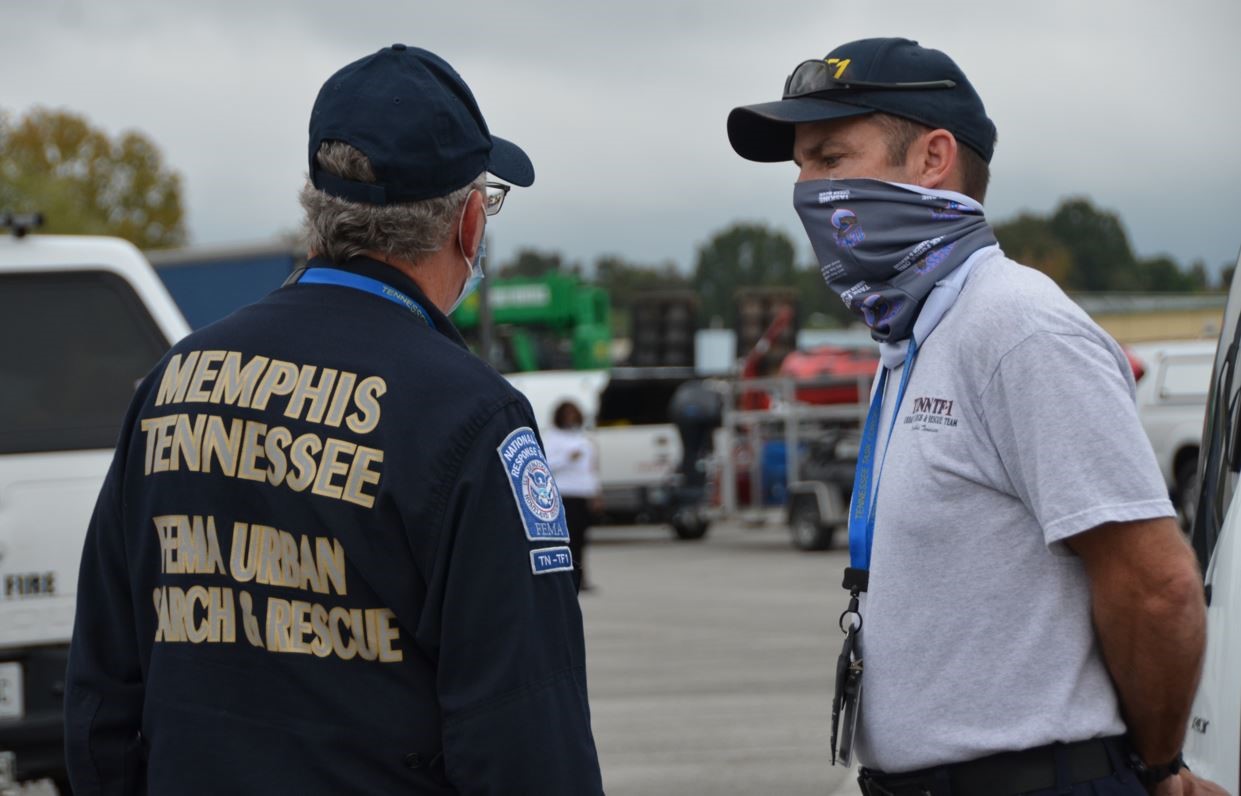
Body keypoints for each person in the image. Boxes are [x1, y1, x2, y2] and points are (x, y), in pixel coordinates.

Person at [64, 44, 603, 795]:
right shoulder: (475, 420)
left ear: (319, 210)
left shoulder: (173, 382)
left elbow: (100, 695)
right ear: (469, 223)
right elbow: (523, 733)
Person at [728, 38, 1223, 796]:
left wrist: (1157, 768)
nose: (806, 190)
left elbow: (1153, 583)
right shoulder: (913, 335)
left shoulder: (1017, 329)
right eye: (799, 167)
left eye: (828, 159)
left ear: (932, 160)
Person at [543, 400, 602, 591]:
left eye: (574, 414)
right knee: (566, 541)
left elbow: (591, 469)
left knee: (581, 540)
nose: (571, 418)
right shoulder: (552, 437)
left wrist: (596, 493)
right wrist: (567, 458)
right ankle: (565, 578)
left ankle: (580, 576)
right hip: (563, 494)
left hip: (582, 493)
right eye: (567, 414)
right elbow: (545, 464)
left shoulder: (583, 438)